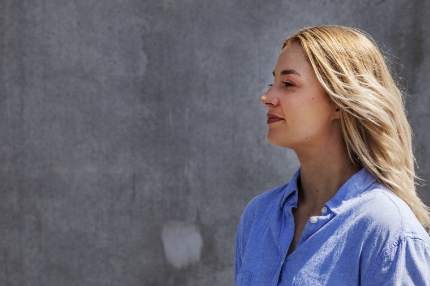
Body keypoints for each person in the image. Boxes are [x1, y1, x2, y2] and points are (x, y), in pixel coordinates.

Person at [234, 26, 430, 285]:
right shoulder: (258, 216)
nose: (267, 97)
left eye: (288, 84)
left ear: (340, 101)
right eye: (273, 82)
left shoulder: (387, 228)